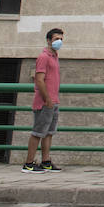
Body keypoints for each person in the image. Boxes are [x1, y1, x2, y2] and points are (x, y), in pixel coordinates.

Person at [22, 28, 65, 173]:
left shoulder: (54, 56)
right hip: (44, 101)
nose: (59, 42)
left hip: (54, 100)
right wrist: (47, 98)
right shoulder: (44, 57)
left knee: (49, 132)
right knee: (38, 132)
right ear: (48, 40)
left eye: (61, 39)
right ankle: (28, 163)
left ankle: (46, 161)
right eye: (56, 39)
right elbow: (39, 80)